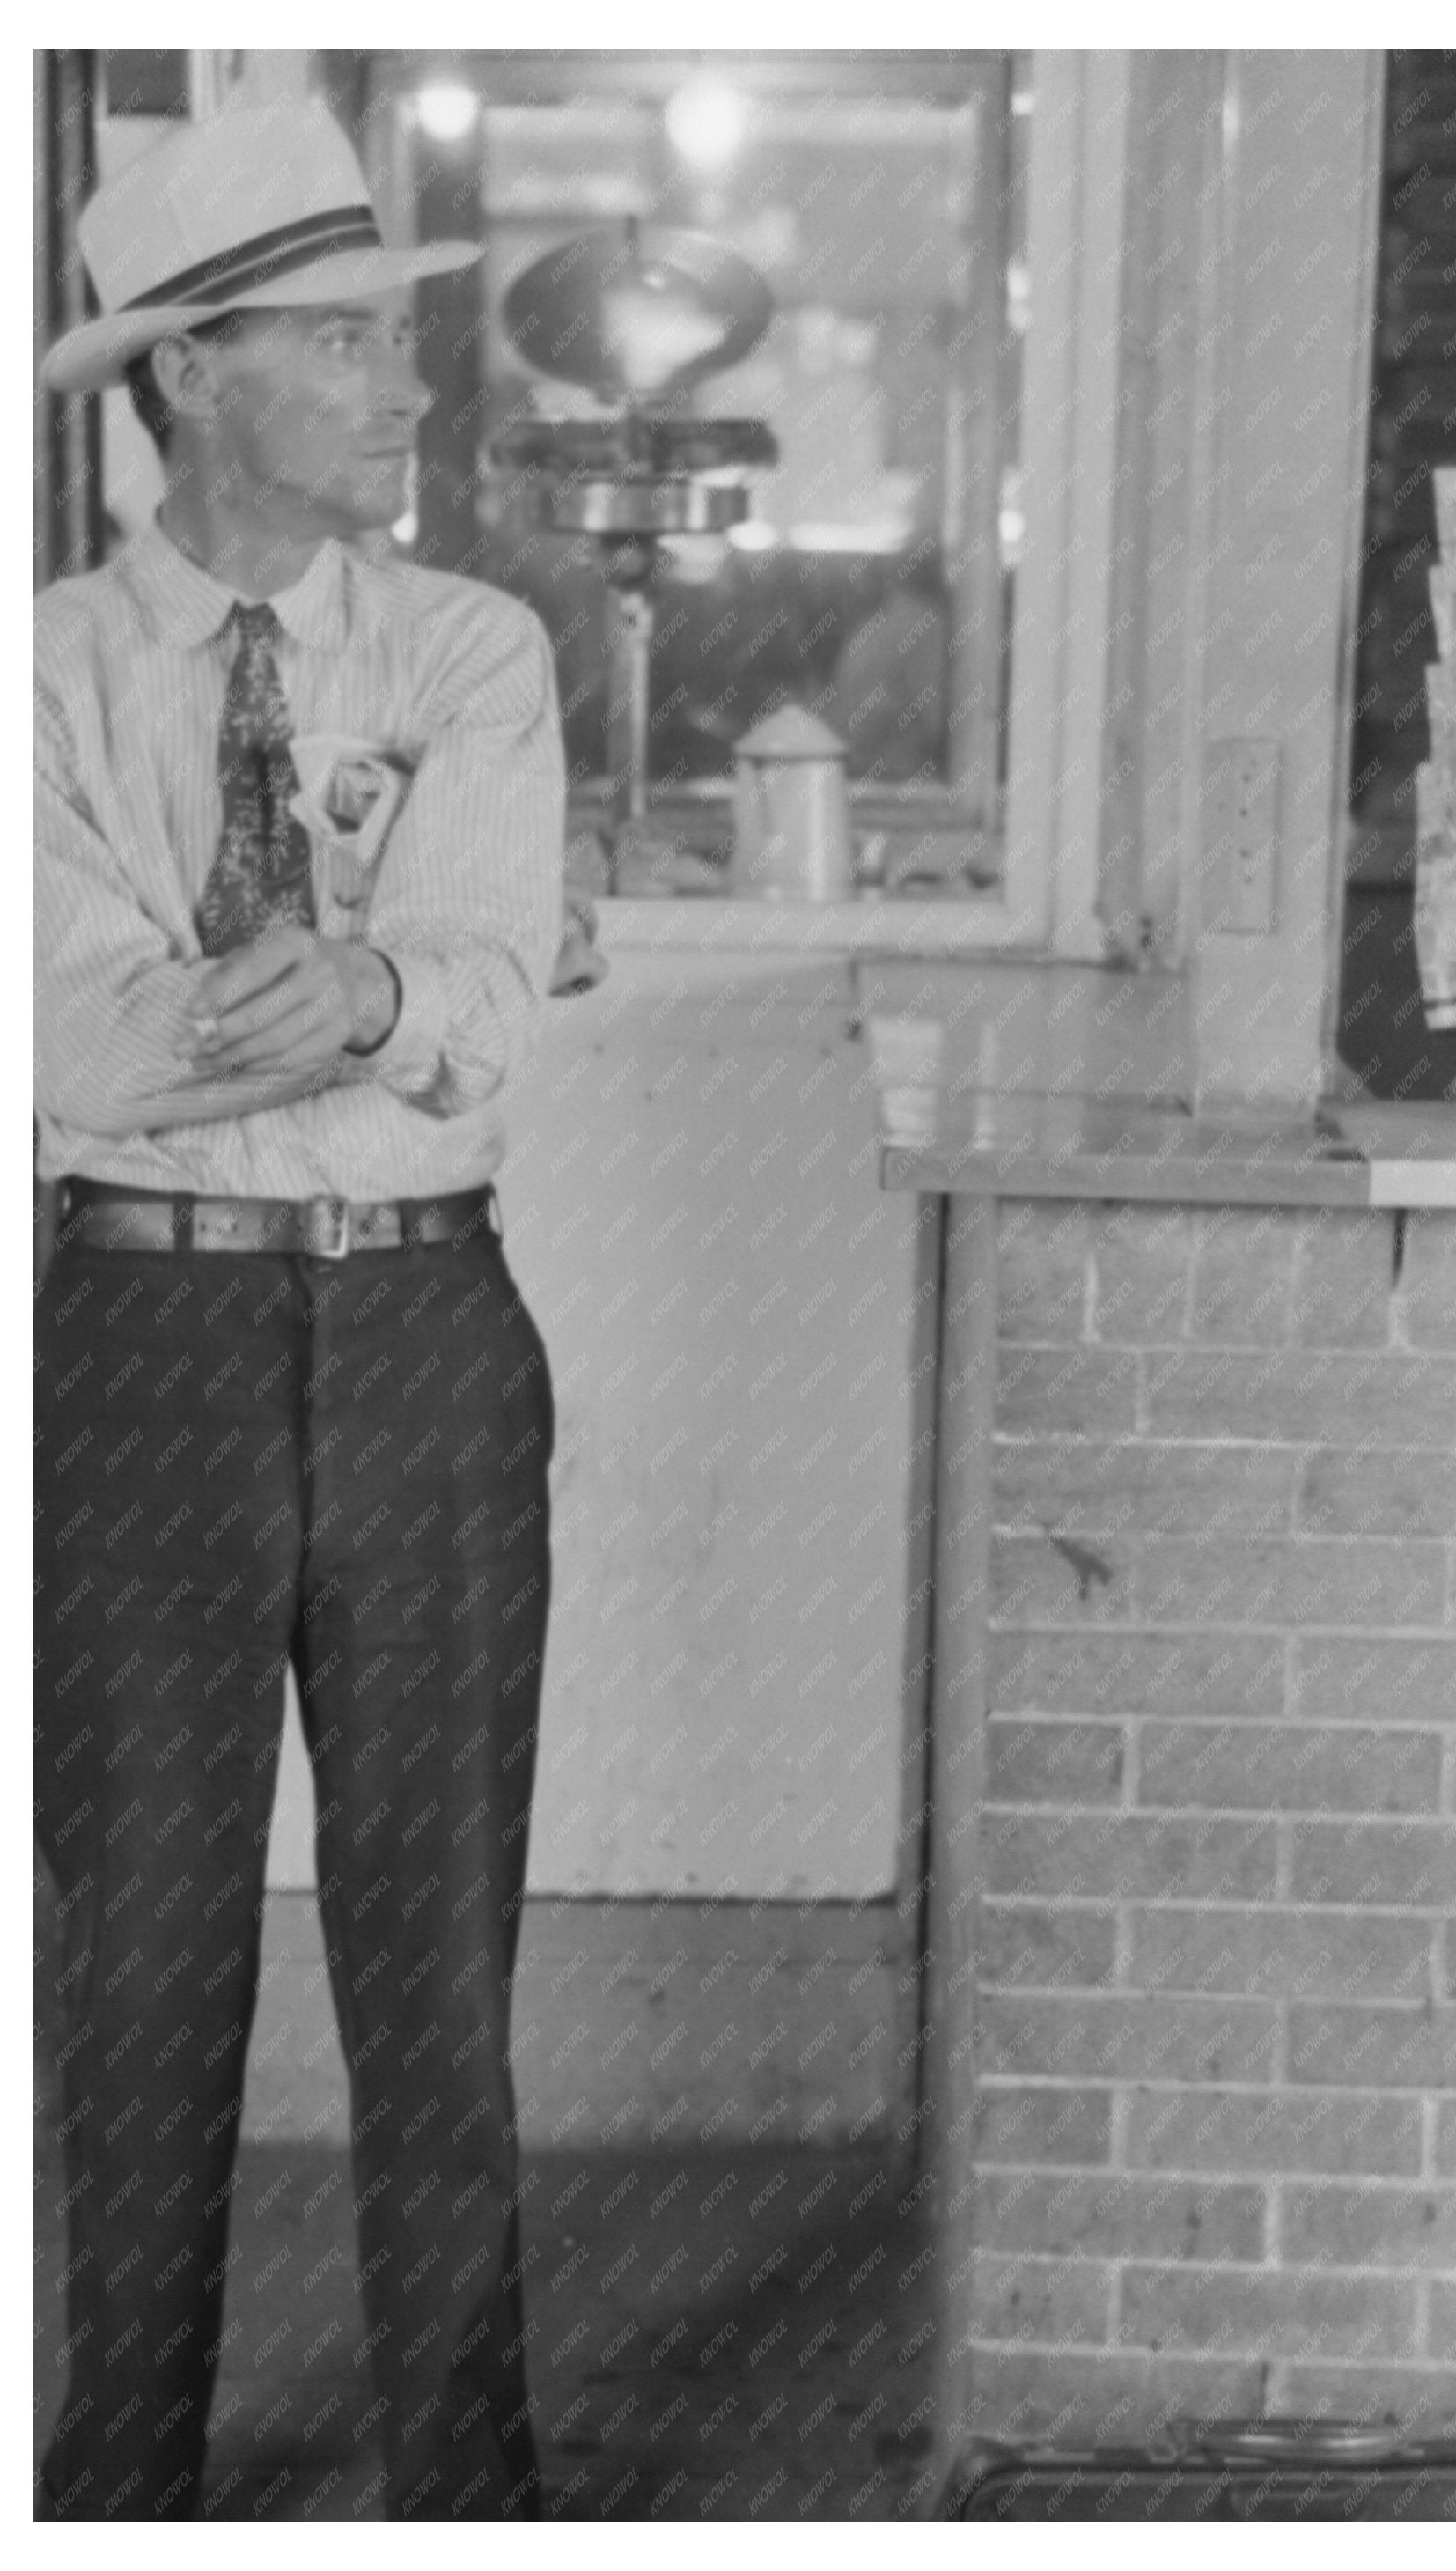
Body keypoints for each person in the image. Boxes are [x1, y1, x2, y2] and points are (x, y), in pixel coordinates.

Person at [34, 96, 567, 2522]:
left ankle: (466, 2483)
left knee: (435, 1970)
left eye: (392, 337)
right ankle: (110, 2487)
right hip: (138, 1352)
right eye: (340, 343)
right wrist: (360, 983)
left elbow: (482, 989)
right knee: (135, 1970)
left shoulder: (476, 648)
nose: (400, 387)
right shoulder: (41, 678)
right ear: (189, 381)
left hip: (427, 1339)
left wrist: (376, 984)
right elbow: (66, 1035)